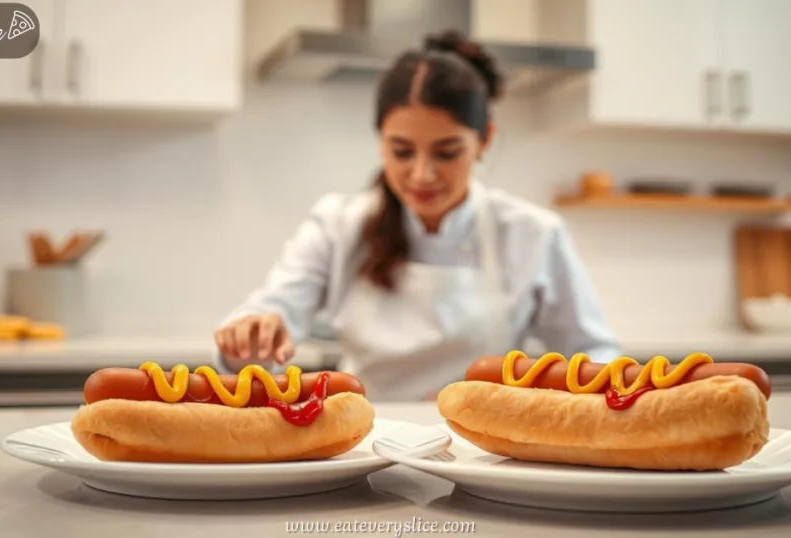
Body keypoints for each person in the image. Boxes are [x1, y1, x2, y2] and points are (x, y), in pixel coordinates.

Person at [214, 30, 621, 401]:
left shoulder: (533, 234)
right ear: (380, 142)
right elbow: (274, 311)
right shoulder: (339, 224)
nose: (422, 174)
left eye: (446, 152)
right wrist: (250, 336)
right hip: (364, 442)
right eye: (402, 151)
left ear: (484, 141)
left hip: (485, 449)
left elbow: (595, 353)